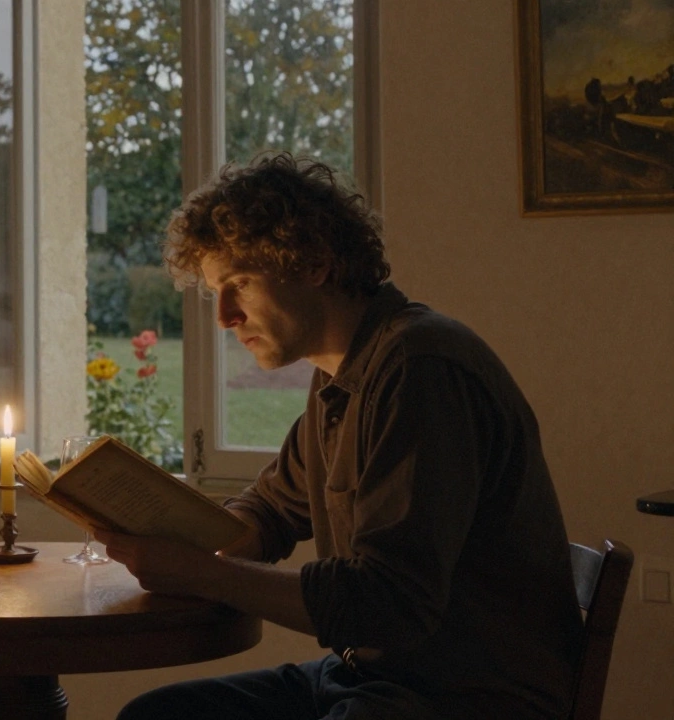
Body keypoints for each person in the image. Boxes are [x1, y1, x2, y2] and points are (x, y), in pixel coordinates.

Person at [100, 153, 583, 720]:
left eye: (240, 283)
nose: (224, 317)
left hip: (465, 695)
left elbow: (389, 602)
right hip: (371, 678)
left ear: (315, 264)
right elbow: (274, 509)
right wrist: (182, 538)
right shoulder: (342, 376)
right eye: (215, 292)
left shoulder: (419, 367)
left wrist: (207, 574)